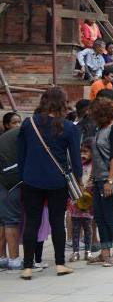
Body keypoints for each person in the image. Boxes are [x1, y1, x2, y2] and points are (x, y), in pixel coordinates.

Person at [17, 87, 81, 279]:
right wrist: (77, 181)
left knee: (31, 222)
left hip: (31, 179)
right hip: (57, 180)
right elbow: (76, 160)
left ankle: (27, 267)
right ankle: (60, 264)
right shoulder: (69, 127)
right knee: (57, 222)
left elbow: (21, 155)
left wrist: (23, 177)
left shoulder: (29, 123)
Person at [86, 96, 113, 267]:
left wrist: (110, 181)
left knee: (110, 216)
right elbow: (96, 157)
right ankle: (104, 252)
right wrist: (91, 178)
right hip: (98, 179)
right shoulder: (100, 129)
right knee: (99, 217)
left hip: (110, 179)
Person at [0, 121, 23, 270]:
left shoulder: (7, 137)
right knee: (10, 221)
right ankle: (14, 259)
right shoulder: (23, 133)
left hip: (4, 180)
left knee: (2, 221)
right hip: (9, 181)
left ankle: (2, 258)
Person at [68, 139, 93, 262]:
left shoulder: (94, 167)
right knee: (75, 228)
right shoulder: (75, 166)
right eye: (81, 152)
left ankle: (88, 251)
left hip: (88, 201)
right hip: (75, 201)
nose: (83, 154)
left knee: (88, 227)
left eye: (86, 152)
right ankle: (75, 252)